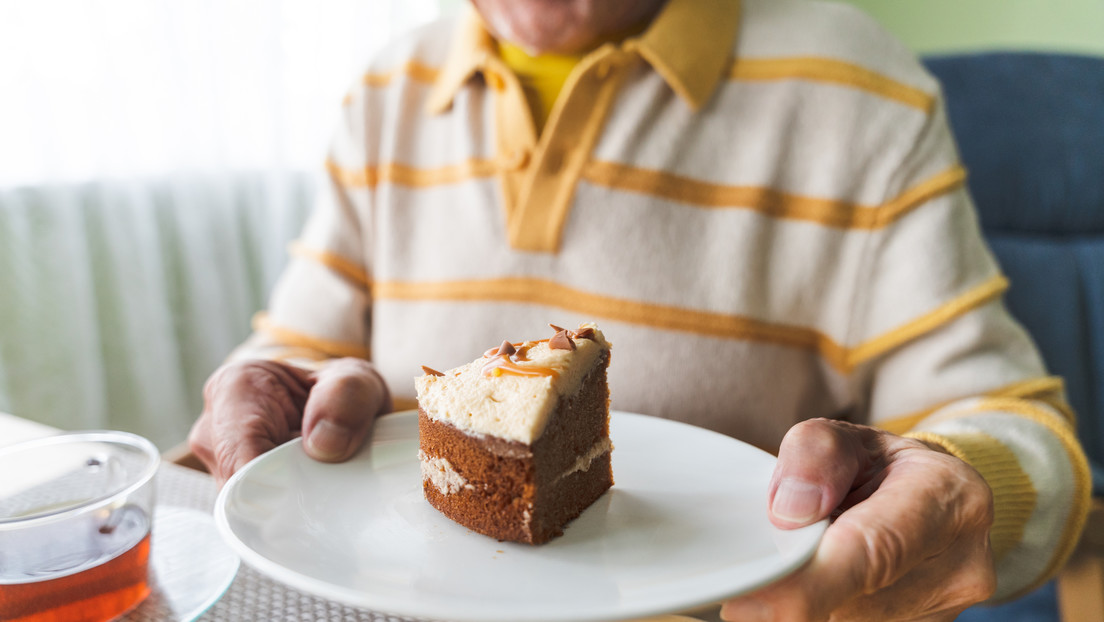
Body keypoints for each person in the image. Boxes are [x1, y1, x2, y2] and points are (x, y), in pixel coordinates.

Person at [188, 0, 1091, 619]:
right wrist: (267, 391)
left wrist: (964, 480)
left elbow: (1029, 437)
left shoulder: (858, 96)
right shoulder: (391, 86)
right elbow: (298, 354)